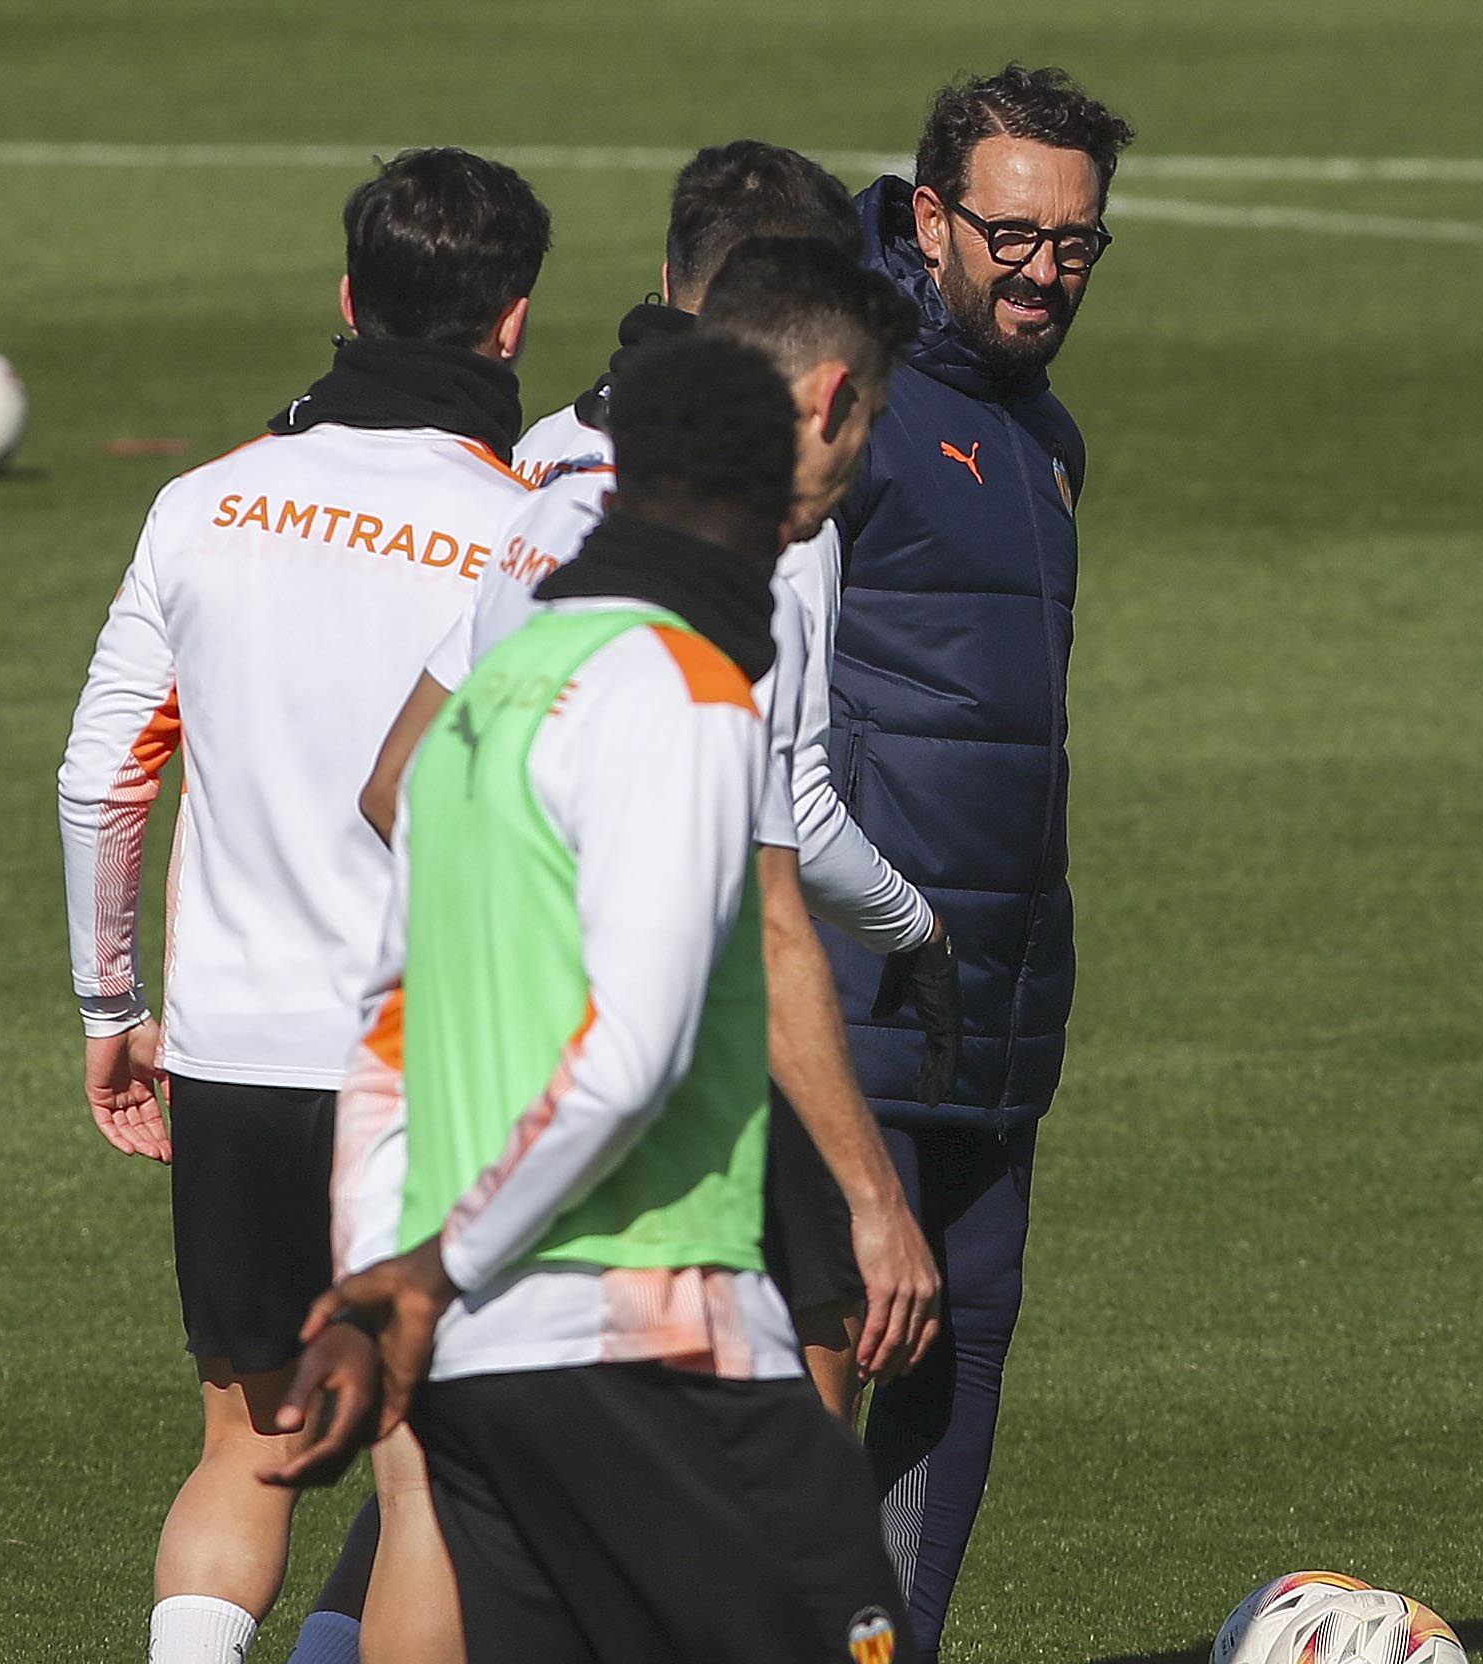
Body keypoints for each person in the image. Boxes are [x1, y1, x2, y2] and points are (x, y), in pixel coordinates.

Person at [264, 332, 913, 1664]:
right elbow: (631, 1052)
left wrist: (380, 1291)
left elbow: (389, 1039)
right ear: (801, 444)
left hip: (480, 1377)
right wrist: (426, 1273)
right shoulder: (684, 687)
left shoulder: (489, 702)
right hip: (653, 1346)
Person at [362, 145, 956, 1414]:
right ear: (823, 392)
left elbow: (396, 790)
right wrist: (872, 1185)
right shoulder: (718, 639)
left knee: (455, 1533)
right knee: (805, 1541)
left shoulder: (540, 492)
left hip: (455, 1124)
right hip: (643, 1209)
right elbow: (763, 895)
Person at [56, 147, 550, 1664]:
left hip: (236, 1059)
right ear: (515, 324)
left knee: (250, 1439)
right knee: (424, 1483)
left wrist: (111, 1006)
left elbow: (101, 778)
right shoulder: (518, 530)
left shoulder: (201, 505)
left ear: (346, 301)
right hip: (423, 1073)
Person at [821, 66, 1135, 1661]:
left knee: (965, 1349)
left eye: (1076, 244)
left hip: (997, 989)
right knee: (807, 1361)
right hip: (848, 979)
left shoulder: (1047, 436)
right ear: (931, 216)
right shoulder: (839, 393)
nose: (1043, 271)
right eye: (1011, 234)